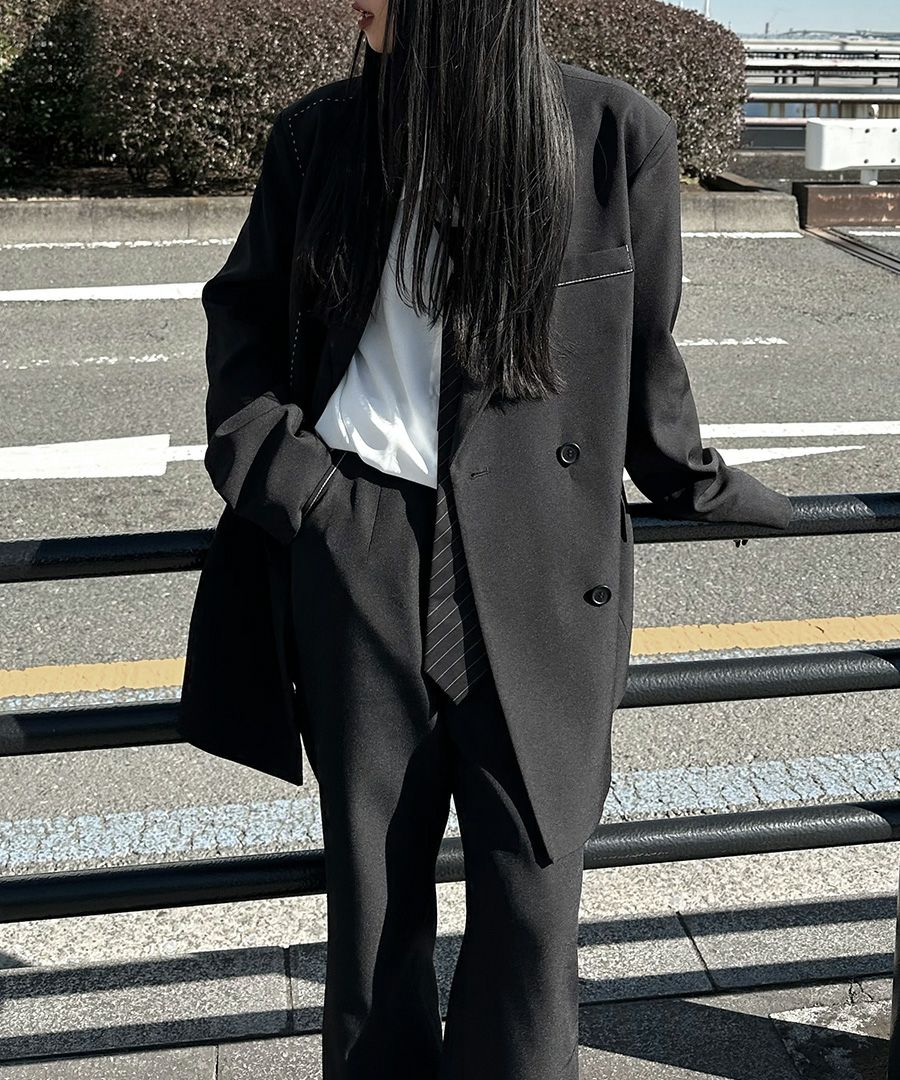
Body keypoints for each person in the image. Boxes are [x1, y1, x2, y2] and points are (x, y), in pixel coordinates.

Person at [180, 0, 793, 1076]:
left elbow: (644, 357)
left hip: (542, 557)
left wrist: (700, 485)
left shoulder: (613, 135)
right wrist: (298, 486)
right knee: (374, 907)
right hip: (361, 545)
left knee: (533, 906)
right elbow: (244, 317)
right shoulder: (323, 137)